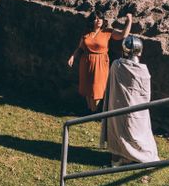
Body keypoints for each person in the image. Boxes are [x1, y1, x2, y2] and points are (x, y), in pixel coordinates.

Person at [100, 35, 159, 166]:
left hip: (121, 106)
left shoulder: (117, 65)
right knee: (132, 129)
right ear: (140, 51)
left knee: (122, 129)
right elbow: (146, 94)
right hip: (134, 108)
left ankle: (124, 155)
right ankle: (126, 155)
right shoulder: (143, 70)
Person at [68, 11, 132, 112]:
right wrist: (73, 56)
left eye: (100, 18)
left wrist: (129, 21)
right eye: (96, 18)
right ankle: (89, 110)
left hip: (100, 63)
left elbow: (123, 35)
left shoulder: (107, 32)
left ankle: (94, 112)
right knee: (87, 87)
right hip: (86, 61)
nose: (99, 21)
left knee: (97, 89)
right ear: (92, 21)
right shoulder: (86, 32)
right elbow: (80, 48)